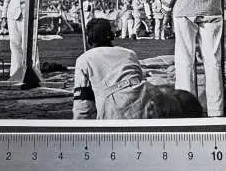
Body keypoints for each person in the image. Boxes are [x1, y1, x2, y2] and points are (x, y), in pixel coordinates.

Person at [73, 18, 203, 120]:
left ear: (89, 39)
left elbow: (82, 104)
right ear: (112, 36)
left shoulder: (84, 60)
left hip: (114, 112)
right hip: (146, 105)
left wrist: (79, 128)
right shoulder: (129, 53)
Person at [1, 0, 46, 77]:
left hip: (29, 14)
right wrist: (4, 17)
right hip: (13, 15)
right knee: (15, 45)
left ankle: (35, 72)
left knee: (32, 44)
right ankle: (16, 72)